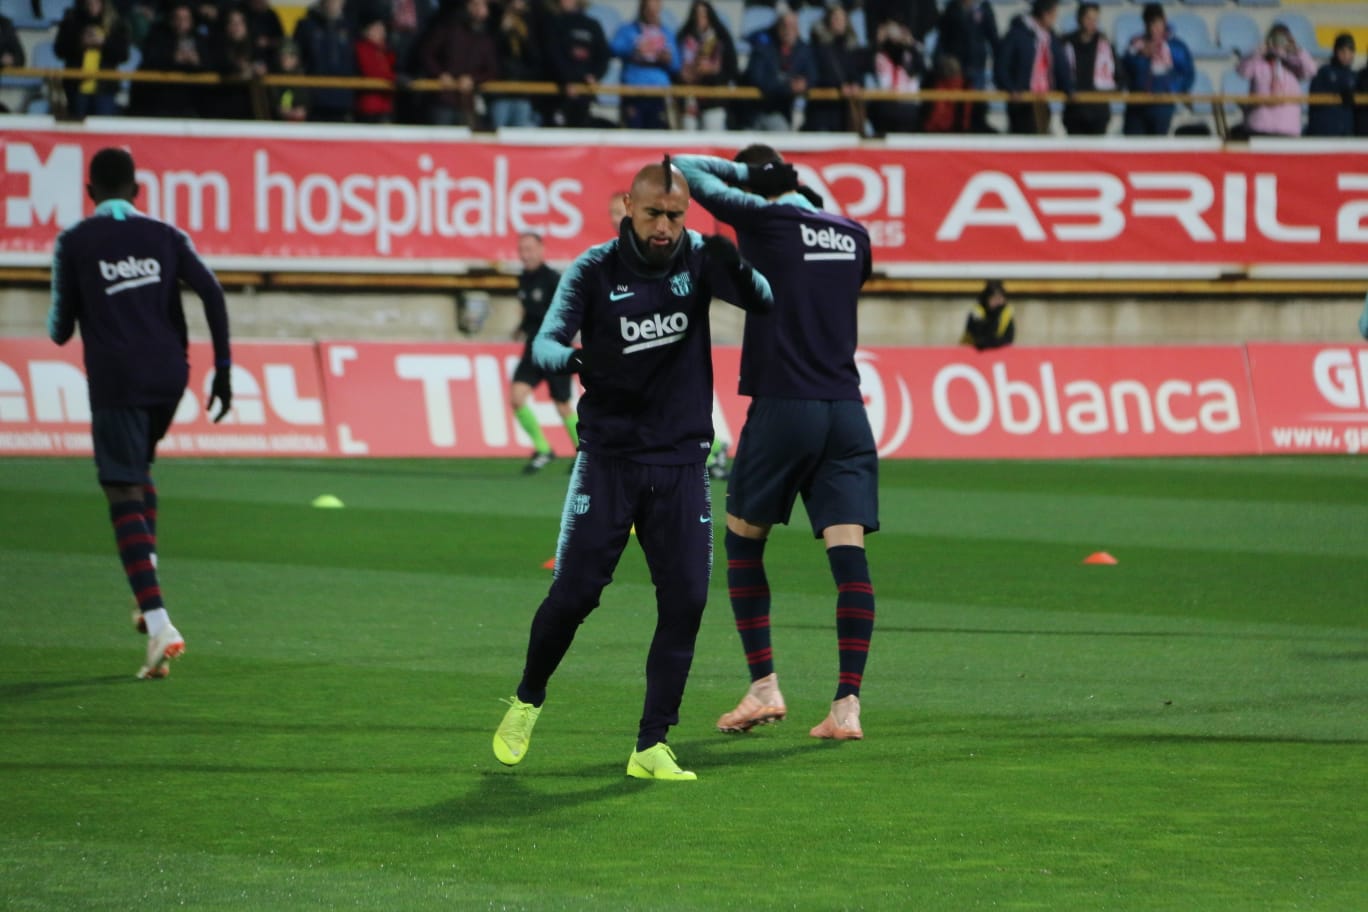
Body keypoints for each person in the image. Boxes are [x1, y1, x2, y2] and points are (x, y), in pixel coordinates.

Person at [491, 158, 774, 782]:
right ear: (629, 206)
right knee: (575, 594)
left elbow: (765, 301)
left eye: (676, 214)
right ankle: (528, 699)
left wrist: (740, 271)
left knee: (688, 601)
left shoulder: (700, 255)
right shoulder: (593, 269)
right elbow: (541, 346)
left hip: (680, 462)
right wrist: (581, 359)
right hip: (608, 462)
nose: (666, 227)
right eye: (654, 214)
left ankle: (651, 745)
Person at [674, 146, 877, 742]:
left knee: (742, 544)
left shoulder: (766, 219)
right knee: (848, 554)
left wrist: (748, 180)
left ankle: (764, 685)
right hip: (846, 410)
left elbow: (683, 169)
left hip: (784, 405)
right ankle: (847, 706)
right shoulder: (855, 233)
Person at [48, 148, 232, 680]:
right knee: (139, 473)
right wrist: (223, 369)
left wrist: (86, 303)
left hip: (118, 380)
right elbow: (212, 293)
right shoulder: (166, 236)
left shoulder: (75, 241)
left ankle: (158, 624)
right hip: (171, 377)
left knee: (121, 488)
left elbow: (60, 326)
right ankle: (146, 590)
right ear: (137, 190)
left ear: (90, 193)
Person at [510, 233, 578, 474]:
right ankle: (543, 448)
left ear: (541, 249)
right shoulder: (523, 279)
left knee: (562, 404)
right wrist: (520, 329)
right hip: (532, 347)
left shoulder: (552, 280)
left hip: (553, 347)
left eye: (529, 249)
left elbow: (567, 311)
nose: (525, 255)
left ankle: (584, 452)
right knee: (516, 397)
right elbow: (530, 312)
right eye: (522, 250)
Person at [995, 0, 1071, 135]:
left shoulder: (1050, 37)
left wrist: (1068, 88)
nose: (1055, 19)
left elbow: (1061, 67)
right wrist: (1011, 88)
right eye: (1054, 14)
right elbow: (1002, 66)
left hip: (1043, 99)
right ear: (1045, 14)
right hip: (1022, 100)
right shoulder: (1017, 35)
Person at [1119, 3, 1193, 137]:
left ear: (1164, 21)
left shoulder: (1175, 46)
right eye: (1150, 24)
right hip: (1137, 105)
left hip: (1162, 106)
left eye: (1157, 24)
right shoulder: (1135, 44)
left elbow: (1187, 73)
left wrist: (1171, 90)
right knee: (1133, 147)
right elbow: (1123, 70)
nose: (1153, 29)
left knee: (1157, 147)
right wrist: (1140, 56)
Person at [1233, 22, 1317, 139]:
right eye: (1276, 39)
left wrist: (1297, 50)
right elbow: (1242, 71)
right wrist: (1260, 51)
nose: (1279, 43)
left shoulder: (1294, 65)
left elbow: (1312, 70)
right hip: (1260, 126)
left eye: (1283, 39)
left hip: (1287, 127)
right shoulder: (1258, 63)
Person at [739, 7, 816, 131]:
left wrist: (804, 83)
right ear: (778, 26)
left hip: (781, 111)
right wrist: (788, 87)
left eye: (792, 26)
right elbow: (757, 78)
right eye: (784, 25)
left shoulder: (803, 51)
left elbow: (813, 76)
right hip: (755, 111)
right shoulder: (763, 47)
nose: (788, 30)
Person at [610, 0, 680, 129]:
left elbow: (676, 64)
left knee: (658, 136)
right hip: (633, 92)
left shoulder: (666, 33)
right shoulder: (629, 29)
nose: (652, 13)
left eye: (655, 9)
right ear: (642, 8)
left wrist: (667, 59)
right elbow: (613, 48)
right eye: (649, 8)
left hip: (657, 94)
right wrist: (634, 48)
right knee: (633, 136)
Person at [53, 0, 130, 118]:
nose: (92, 7)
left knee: (103, 129)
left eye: (96, 3)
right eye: (89, 4)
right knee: (77, 131)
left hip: (105, 89)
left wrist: (104, 43)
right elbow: (60, 50)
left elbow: (123, 54)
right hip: (76, 88)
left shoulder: (115, 23)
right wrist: (80, 43)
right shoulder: (72, 20)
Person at [937, 0, 1000, 133]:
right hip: (957, 67)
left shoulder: (984, 9)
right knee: (957, 102)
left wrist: (998, 62)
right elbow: (943, 38)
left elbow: (993, 37)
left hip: (977, 65)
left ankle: (977, 125)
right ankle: (957, 127)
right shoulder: (952, 9)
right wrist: (945, 60)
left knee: (977, 100)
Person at [676, 0, 739, 132]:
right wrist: (686, 74)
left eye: (704, 16)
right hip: (689, 99)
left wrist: (713, 72)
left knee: (712, 133)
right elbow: (675, 67)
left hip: (714, 99)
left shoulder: (722, 39)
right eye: (696, 15)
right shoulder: (683, 38)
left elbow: (731, 70)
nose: (700, 20)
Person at [803, 3, 864, 134]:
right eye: (836, 18)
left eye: (842, 19)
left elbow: (857, 71)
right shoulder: (817, 47)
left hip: (844, 113)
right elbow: (815, 75)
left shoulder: (851, 48)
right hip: (822, 112)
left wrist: (855, 84)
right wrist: (839, 86)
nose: (839, 22)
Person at [293, 0, 357, 121]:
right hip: (314, 101)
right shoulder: (306, 25)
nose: (333, 3)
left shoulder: (350, 26)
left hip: (343, 102)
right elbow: (295, 64)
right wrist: (297, 99)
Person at [1061, 1, 1117, 136]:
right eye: (1088, 18)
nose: (1092, 23)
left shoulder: (1104, 45)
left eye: (1095, 19)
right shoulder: (1066, 43)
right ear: (1080, 19)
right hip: (1074, 112)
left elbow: (1118, 74)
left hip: (1099, 112)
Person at [867, 18, 925, 135]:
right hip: (884, 109)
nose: (894, 36)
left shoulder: (910, 53)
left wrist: (910, 44)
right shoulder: (879, 55)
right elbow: (866, 67)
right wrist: (877, 43)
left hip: (908, 108)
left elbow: (921, 69)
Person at [1307, 34, 1357, 137]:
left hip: (1345, 134)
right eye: (1342, 51)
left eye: (1350, 51)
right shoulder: (1324, 72)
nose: (1346, 55)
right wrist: (1337, 95)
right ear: (1335, 52)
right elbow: (1315, 99)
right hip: (1324, 133)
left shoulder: (1354, 77)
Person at [354, 13, 397, 123]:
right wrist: (395, 78)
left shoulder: (385, 50)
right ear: (367, 31)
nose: (381, 31)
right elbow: (371, 72)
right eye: (376, 28)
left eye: (381, 28)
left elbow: (392, 66)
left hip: (385, 105)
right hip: (369, 106)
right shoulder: (362, 48)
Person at [960, 279, 1015, 350]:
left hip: (997, 354)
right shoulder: (977, 312)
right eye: (994, 298)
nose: (998, 302)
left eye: (1000, 298)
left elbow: (1008, 339)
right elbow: (978, 338)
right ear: (987, 298)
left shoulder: (1006, 313)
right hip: (970, 353)